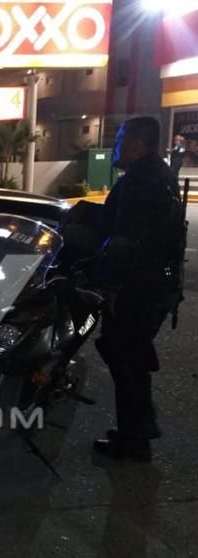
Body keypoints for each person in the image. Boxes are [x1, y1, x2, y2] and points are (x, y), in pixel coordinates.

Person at [92, 117, 184, 462]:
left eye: (120, 140)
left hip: (136, 288)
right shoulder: (159, 175)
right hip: (155, 286)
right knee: (132, 359)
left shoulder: (141, 182)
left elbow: (126, 242)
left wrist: (110, 285)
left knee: (125, 360)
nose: (116, 147)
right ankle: (139, 431)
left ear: (136, 143)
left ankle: (134, 440)